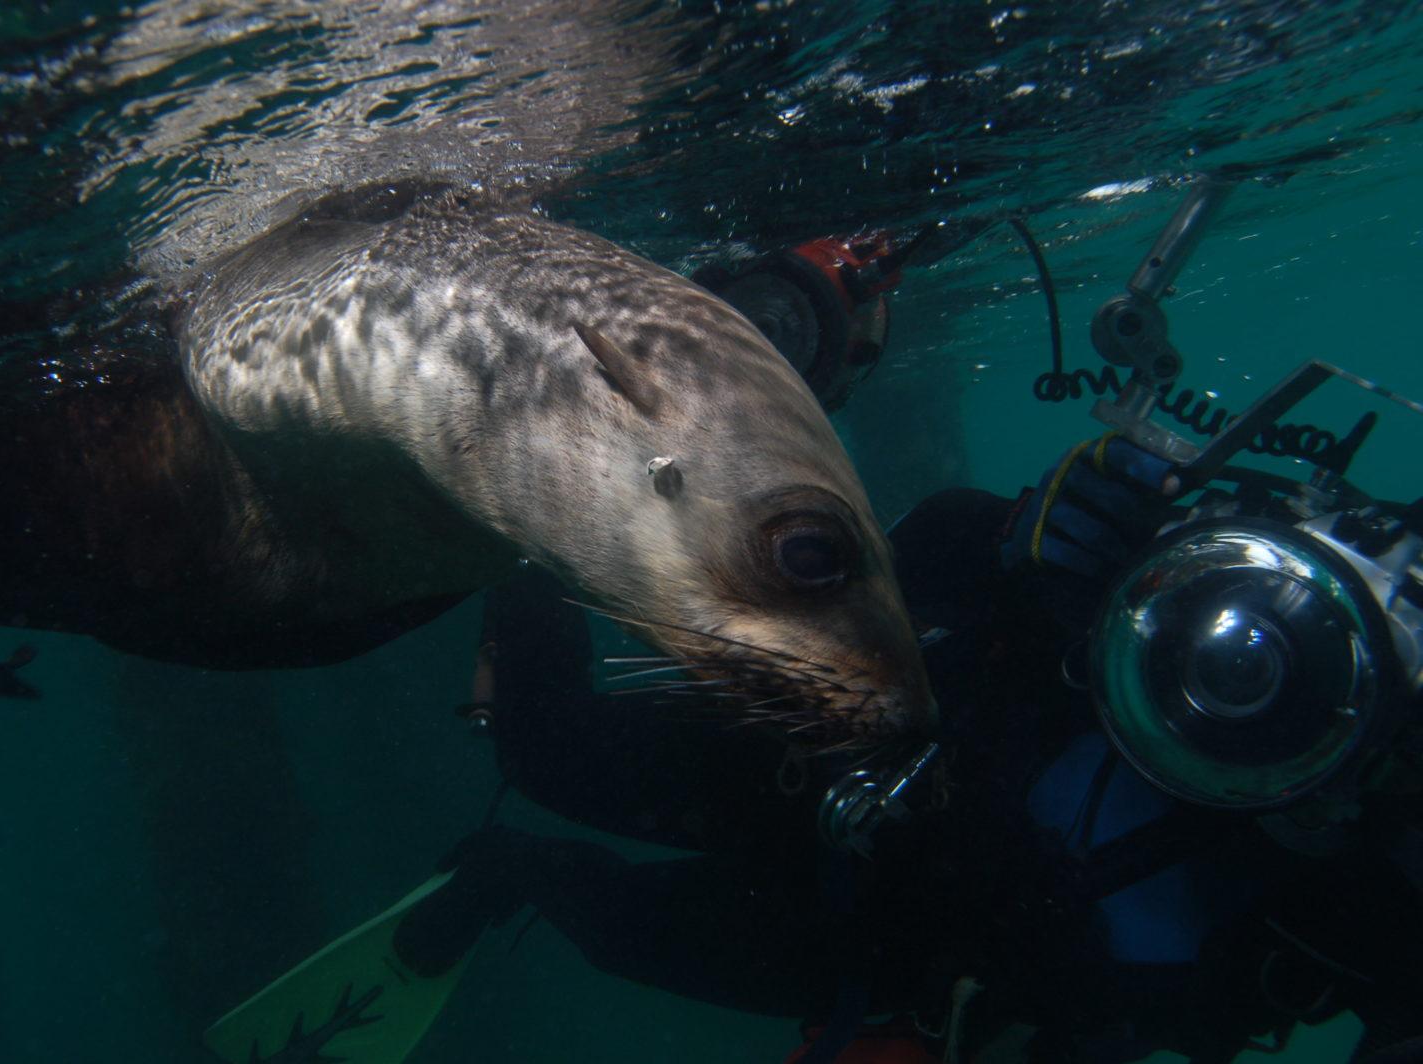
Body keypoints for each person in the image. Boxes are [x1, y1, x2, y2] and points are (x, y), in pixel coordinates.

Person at [205, 224, 1423, 1064]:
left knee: (604, 906)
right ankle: (518, 543)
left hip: (927, 963)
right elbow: (917, 556)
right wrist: (1045, 551)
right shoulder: (1281, 590)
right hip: (862, 766)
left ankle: (507, 878)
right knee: (547, 745)